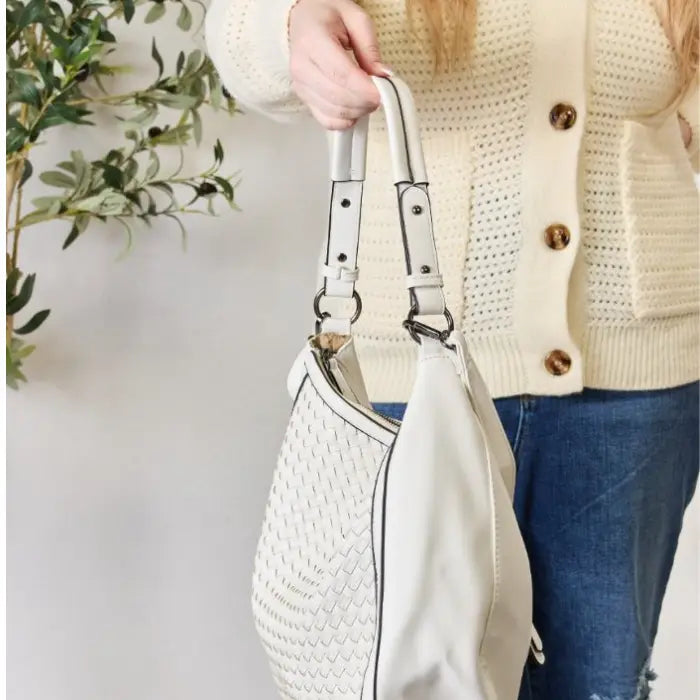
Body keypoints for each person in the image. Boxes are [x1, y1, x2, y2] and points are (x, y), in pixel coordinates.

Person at [204, 1, 700, 698]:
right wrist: (289, 29)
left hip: (635, 382)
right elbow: (242, 38)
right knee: (399, 679)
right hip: (403, 388)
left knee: (598, 682)